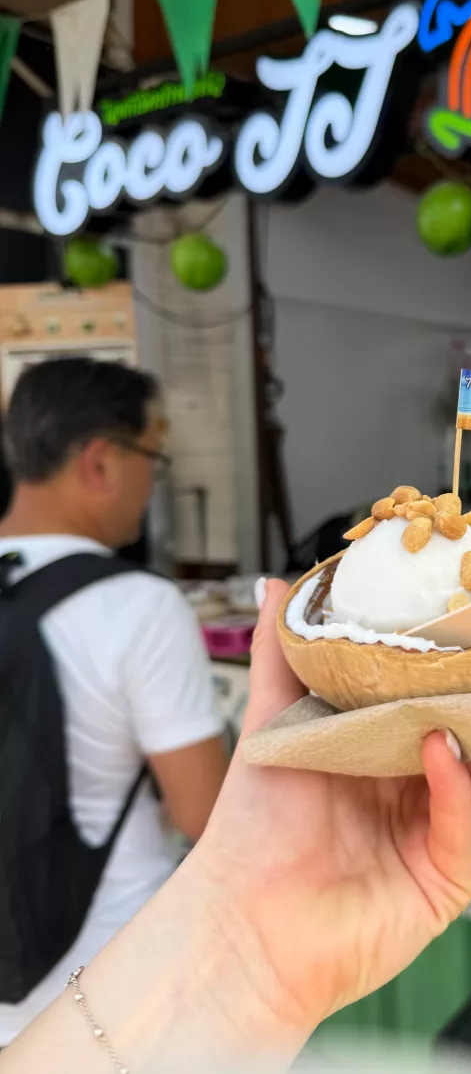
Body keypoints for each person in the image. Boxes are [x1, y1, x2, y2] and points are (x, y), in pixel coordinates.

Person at [0, 578, 471, 1074]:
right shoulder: (140, 603)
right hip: (108, 964)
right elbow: (197, 810)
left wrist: (247, 946)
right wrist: (240, 942)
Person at [0, 358, 229, 1046]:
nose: (151, 483)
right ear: (101, 461)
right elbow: (203, 812)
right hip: (107, 993)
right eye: (152, 457)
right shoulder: (140, 606)